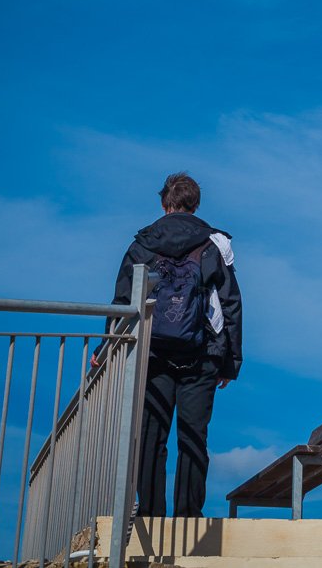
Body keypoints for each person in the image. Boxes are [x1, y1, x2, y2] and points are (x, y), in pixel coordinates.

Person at [107, 172, 243, 517]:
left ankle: (151, 514)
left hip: (153, 352)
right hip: (203, 354)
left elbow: (124, 300)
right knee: (193, 437)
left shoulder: (142, 243)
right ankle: (188, 518)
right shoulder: (214, 243)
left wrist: (107, 348)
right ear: (196, 204)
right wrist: (230, 361)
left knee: (152, 436)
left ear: (164, 204)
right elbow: (230, 304)